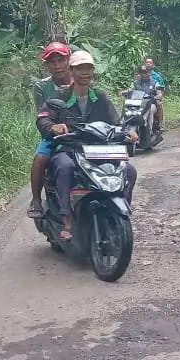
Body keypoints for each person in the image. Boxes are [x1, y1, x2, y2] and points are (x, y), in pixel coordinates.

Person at [37, 50, 138, 240]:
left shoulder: (100, 97)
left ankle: (119, 212)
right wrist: (53, 127)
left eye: (88, 68)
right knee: (64, 167)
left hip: (97, 150)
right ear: (71, 71)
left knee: (129, 171)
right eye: (80, 68)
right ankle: (66, 217)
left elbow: (115, 123)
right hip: (69, 148)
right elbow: (43, 118)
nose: (85, 72)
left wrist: (127, 133)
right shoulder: (60, 96)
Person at [27, 41, 72, 217]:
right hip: (54, 133)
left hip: (81, 131)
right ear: (47, 65)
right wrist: (54, 127)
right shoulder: (42, 86)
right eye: (52, 62)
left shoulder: (79, 78)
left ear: (68, 60)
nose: (57, 65)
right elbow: (43, 114)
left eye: (60, 60)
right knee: (40, 158)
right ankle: (36, 201)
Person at [140, 58, 167, 133]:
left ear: (153, 65)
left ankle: (161, 124)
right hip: (141, 98)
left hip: (153, 96)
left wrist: (159, 96)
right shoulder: (139, 78)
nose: (148, 64)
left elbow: (161, 88)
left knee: (159, 104)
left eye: (150, 62)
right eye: (147, 62)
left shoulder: (157, 76)